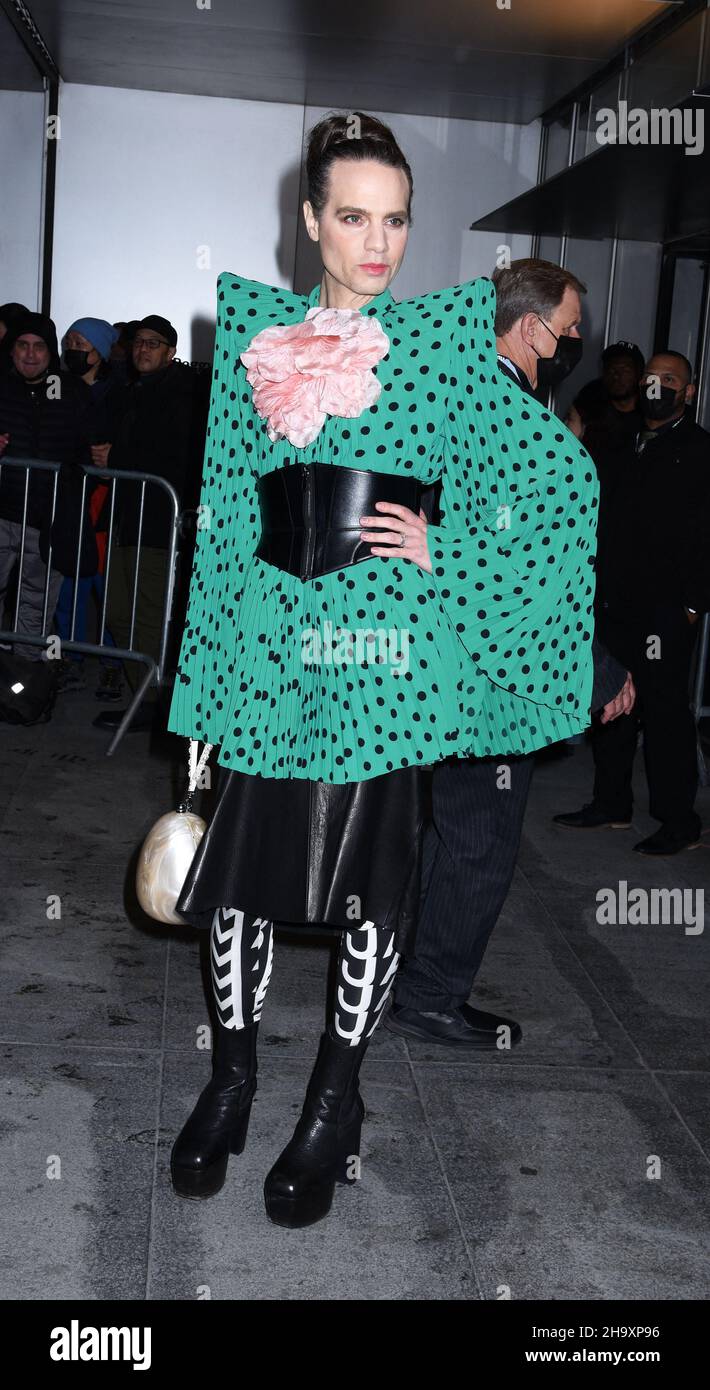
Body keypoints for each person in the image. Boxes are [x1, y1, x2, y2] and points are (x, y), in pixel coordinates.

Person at [165, 115, 599, 1228]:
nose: (377, 241)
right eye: (351, 215)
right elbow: (218, 530)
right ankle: (231, 1077)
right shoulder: (254, 339)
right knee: (238, 887)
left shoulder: (445, 345)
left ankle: (331, 1100)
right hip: (269, 650)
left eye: (395, 218)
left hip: (384, 661)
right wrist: (200, 705)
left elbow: (556, 487)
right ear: (308, 219)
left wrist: (444, 547)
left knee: (368, 892)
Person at [386, 259, 634, 1050]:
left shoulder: (464, 393)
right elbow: (531, 573)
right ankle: (427, 996)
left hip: (440, 655)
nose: (576, 344)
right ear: (528, 328)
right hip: (488, 673)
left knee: (448, 831)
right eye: (567, 331)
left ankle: (402, 976)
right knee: (479, 840)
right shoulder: (501, 410)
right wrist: (597, 670)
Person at [555, 351, 710, 855]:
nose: (655, 386)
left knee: (664, 711)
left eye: (669, 380)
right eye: (651, 377)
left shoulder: (700, 450)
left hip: (666, 609)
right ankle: (611, 804)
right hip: (614, 600)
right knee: (613, 700)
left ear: (688, 392)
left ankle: (678, 820)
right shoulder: (623, 444)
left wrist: (692, 602)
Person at [93, 314, 195, 733]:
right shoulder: (130, 390)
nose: (143, 350)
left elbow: (168, 455)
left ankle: (151, 703)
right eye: (138, 343)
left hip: (157, 523)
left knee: (145, 613)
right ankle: (146, 698)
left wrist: (113, 459)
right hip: (127, 518)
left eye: (153, 343)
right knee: (120, 610)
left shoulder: (181, 394)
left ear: (171, 351)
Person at [0, 312, 90, 658]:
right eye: (22, 345)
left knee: (35, 605)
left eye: (39, 347)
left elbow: (91, 448)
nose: (30, 354)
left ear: (50, 353)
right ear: (11, 350)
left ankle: (23, 685)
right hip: (4, 512)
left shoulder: (73, 393)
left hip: (47, 521)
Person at [54, 317, 123, 696]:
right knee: (70, 588)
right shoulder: (57, 387)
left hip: (103, 504)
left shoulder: (117, 393)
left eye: (81, 342)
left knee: (106, 589)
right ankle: (70, 659)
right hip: (67, 501)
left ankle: (113, 664)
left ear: (99, 350)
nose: (73, 349)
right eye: (69, 341)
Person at [567, 341, 644, 471]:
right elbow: (568, 444)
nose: (616, 375)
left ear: (639, 374)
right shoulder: (590, 400)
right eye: (611, 369)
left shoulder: (649, 412)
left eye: (625, 370)